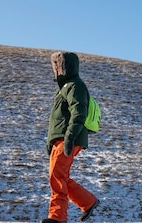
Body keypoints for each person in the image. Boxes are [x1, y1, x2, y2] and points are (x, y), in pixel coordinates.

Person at [41, 52, 100, 223]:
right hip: (59, 139)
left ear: (67, 67)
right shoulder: (63, 89)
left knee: (57, 177)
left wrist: (69, 137)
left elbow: (79, 112)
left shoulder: (75, 86)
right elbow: (57, 120)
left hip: (68, 139)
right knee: (60, 176)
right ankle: (88, 202)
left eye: (59, 65)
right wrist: (49, 142)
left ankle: (57, 218)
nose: (57, 69)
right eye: (55, 66)